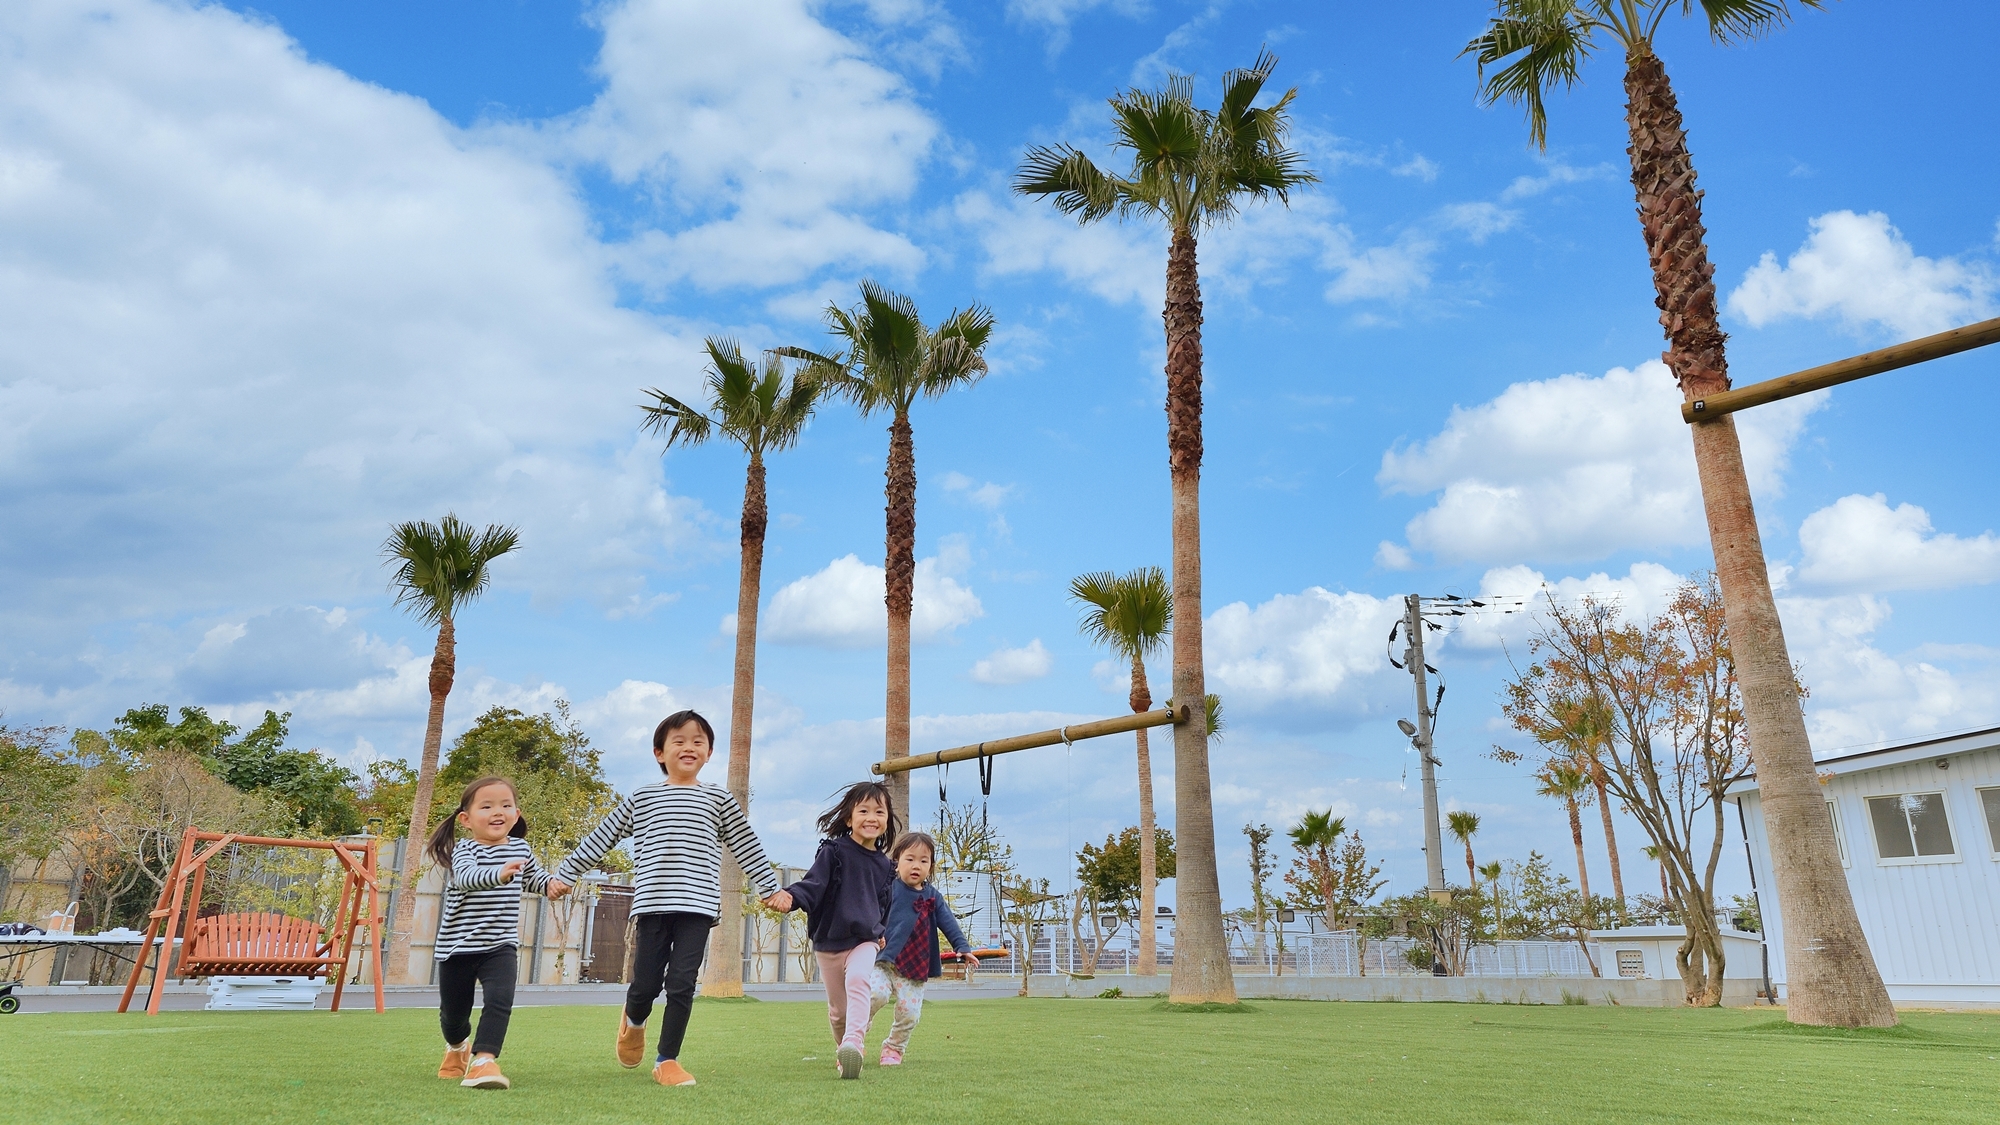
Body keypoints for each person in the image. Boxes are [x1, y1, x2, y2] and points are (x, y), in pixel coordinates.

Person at [550, 710, 783, 1087]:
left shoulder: (718, 798)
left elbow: (746, 845)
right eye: (679, 741)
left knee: (681, 983)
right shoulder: (642, 797)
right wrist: (565, 873)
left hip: (698, 907)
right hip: (653, 905)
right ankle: (635, 1019)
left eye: (697, 742)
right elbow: (601, 837)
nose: (688, 747)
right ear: (660, 753)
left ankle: (667, 1059)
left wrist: (770, 887)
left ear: (708, 753)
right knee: (645, 985)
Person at [429, 775, 555, 1091]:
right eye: (486, 806)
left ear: (516, 813)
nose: (497, 812)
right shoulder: (464, 851)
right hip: (458, 947)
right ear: (466, 819)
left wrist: (552, 886)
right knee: (453, 1017)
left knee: (500, 999)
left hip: (500, 945)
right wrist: (499, 874)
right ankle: (457, 1046)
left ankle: (484, 1060)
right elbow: (468, 878)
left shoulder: (521, 849)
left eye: (505, 805)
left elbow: (535, 879)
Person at [765, 781, 898, 1079]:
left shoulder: (885, 866)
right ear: (849, 818)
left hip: (864, 939)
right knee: (838, 1012)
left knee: (860, 980)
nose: (871, 817)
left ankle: (855, 1041)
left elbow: (883, 901)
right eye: (863, 810)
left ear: (887, 819)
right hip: (829, 942)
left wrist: (880, 930)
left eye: (879, 811)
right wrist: (791, 897)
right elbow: (814, 885)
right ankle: (845, 1050)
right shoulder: (834, 852)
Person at [867, 831, 975, 1066]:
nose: (916, 865)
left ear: (931, 866)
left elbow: (948, 922)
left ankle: (893, 1049)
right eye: (910, 859)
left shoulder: (933, 896)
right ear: (896, 863)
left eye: (923, 860)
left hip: (916, 964)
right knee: (875, 994)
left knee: (910, 1013)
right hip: (884, 960)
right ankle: (856, 1035)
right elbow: (870, 913)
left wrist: (963, 947)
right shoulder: (888, 889)